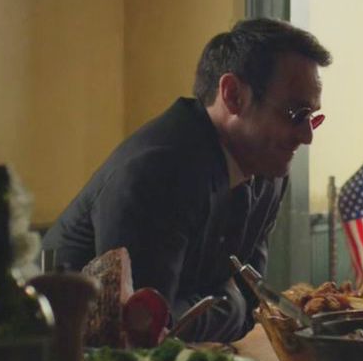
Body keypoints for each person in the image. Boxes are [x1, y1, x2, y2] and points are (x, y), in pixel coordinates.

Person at [43, 18, 332, 342]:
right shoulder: (157, 170)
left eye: (312, 118)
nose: (307, 136)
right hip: (63, 360)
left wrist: (231, 304)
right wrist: (231, 303)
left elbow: (251, 301)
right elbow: (145, 330)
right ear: (233, 95)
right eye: (296, 114)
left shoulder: (268, 169)